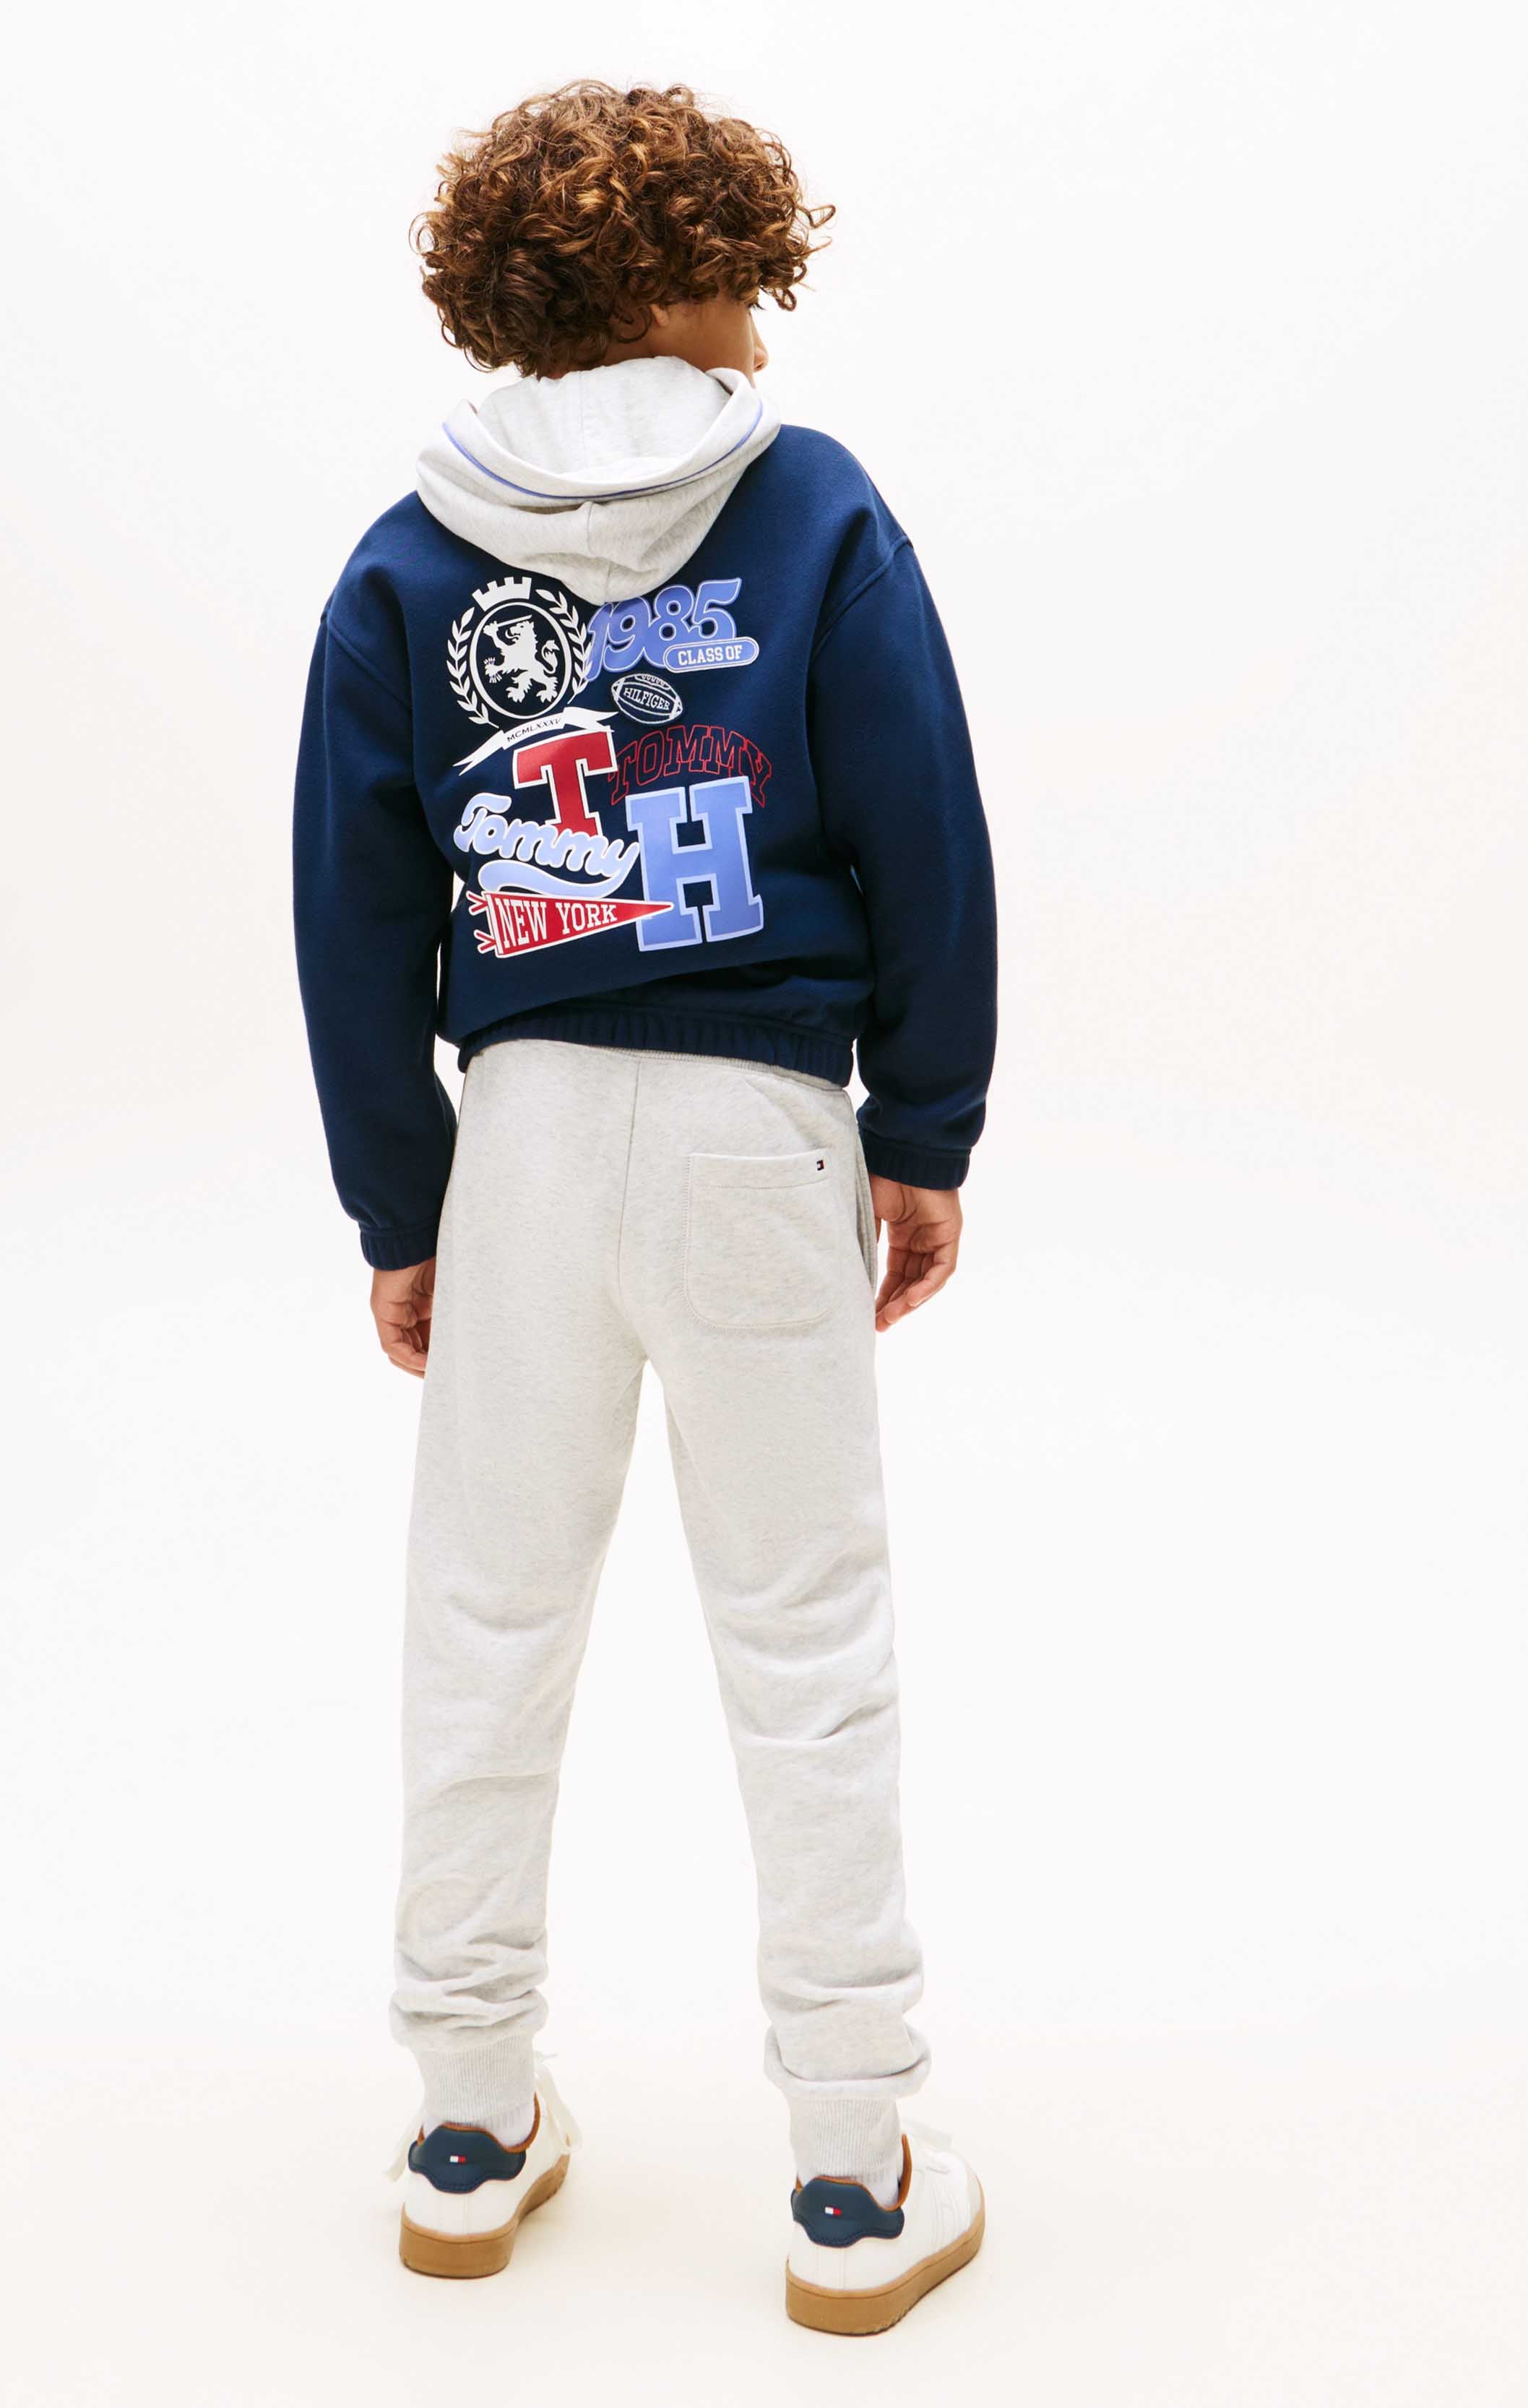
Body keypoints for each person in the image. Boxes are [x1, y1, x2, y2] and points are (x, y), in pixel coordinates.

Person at [293, 80, 997, 2335]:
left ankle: (463, 2122)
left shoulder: (407, 554)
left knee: (485, 1622)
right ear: (682, 282)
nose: (761, 332)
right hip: (754, 1130)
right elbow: (922, 823)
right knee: (805, 1635)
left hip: (517, 1134)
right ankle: (850, 2162)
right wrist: (925, 1128)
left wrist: (401, 1203)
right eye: (742, 285)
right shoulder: (809, 505)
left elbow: (352, 911)